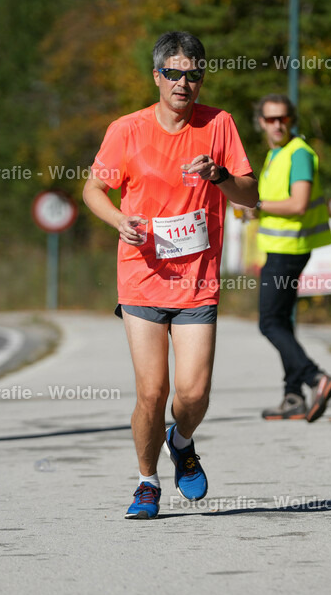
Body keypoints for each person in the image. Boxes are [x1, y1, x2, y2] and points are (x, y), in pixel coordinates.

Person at [83, 31, 258, 519]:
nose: (186, 82)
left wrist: (220, 177)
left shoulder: (219, 124)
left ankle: (181, 442)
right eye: (176, 73)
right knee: (152, 392)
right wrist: (120, 221)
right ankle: (146, 482)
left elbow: (250, 195)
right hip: (141, 275)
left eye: (195, 73)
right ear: (157, 76)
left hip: (197, 280)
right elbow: (93, 189)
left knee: (194, 392)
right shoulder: (127, 129)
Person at [247, 93, 331, 421]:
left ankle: (316, 378)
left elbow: (297, 204)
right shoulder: (276, 154)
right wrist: (254, 211)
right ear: (261, 122)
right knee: (281, 321)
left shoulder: (298, 154)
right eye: (270, 119)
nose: (277, 124)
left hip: (289, 250)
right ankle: (293, 395)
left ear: (291, 120)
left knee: (269, 322)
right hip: (279, 247)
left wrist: (255, 205)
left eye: (282, 118)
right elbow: (274, 204)